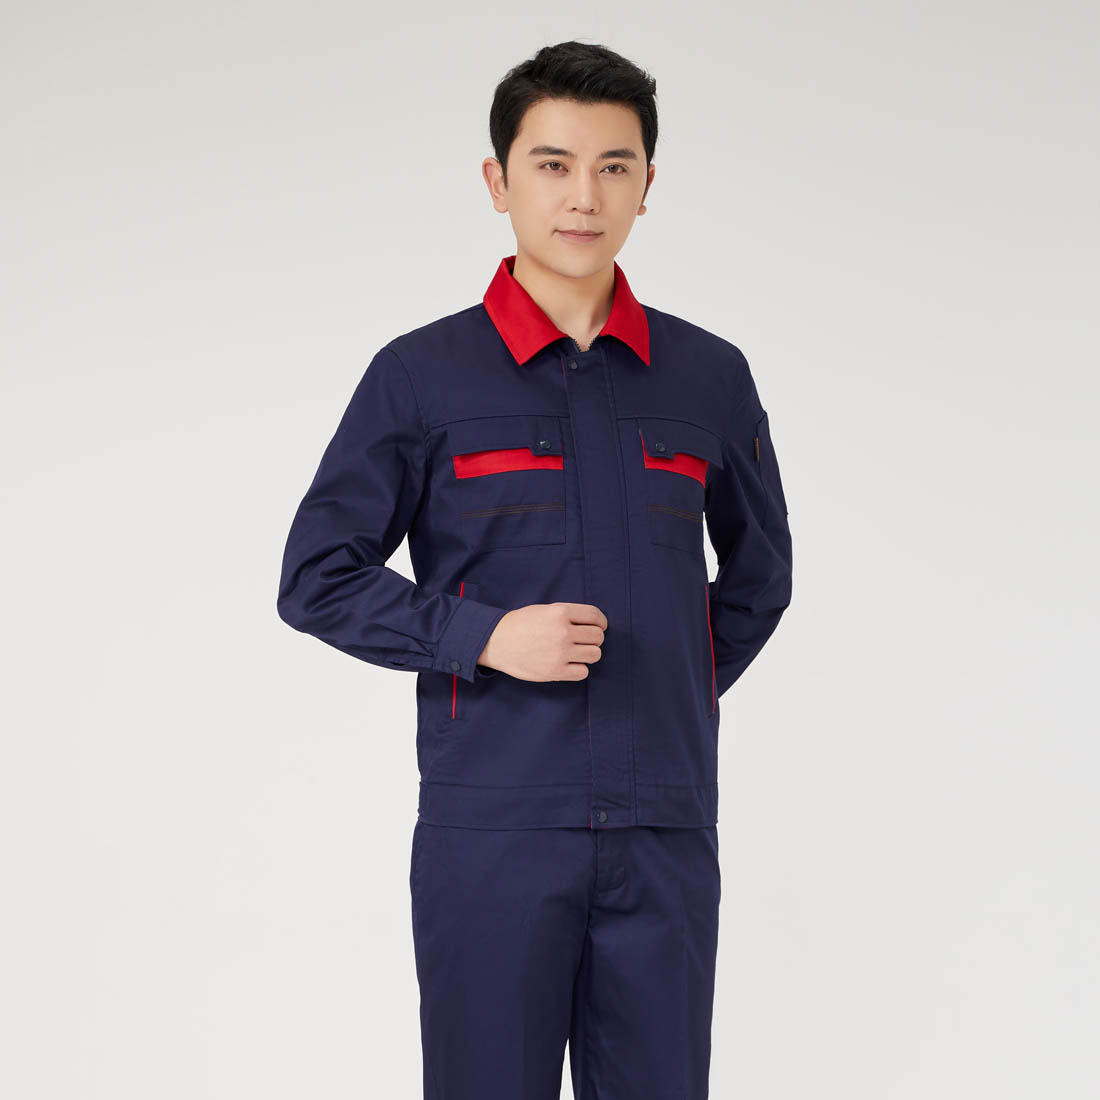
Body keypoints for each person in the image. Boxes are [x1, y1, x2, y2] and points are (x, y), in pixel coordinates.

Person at [276, 38, 793, 1100]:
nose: (582, 195)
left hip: (662, 831)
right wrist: (484, 637)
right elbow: (317, 573)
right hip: (494, 831)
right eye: (552, 164)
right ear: (498, 180)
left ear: (647, 184)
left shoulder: (708, 376)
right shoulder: (421, 376)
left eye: (613, 166)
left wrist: (667, 684)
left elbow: (759, 575)